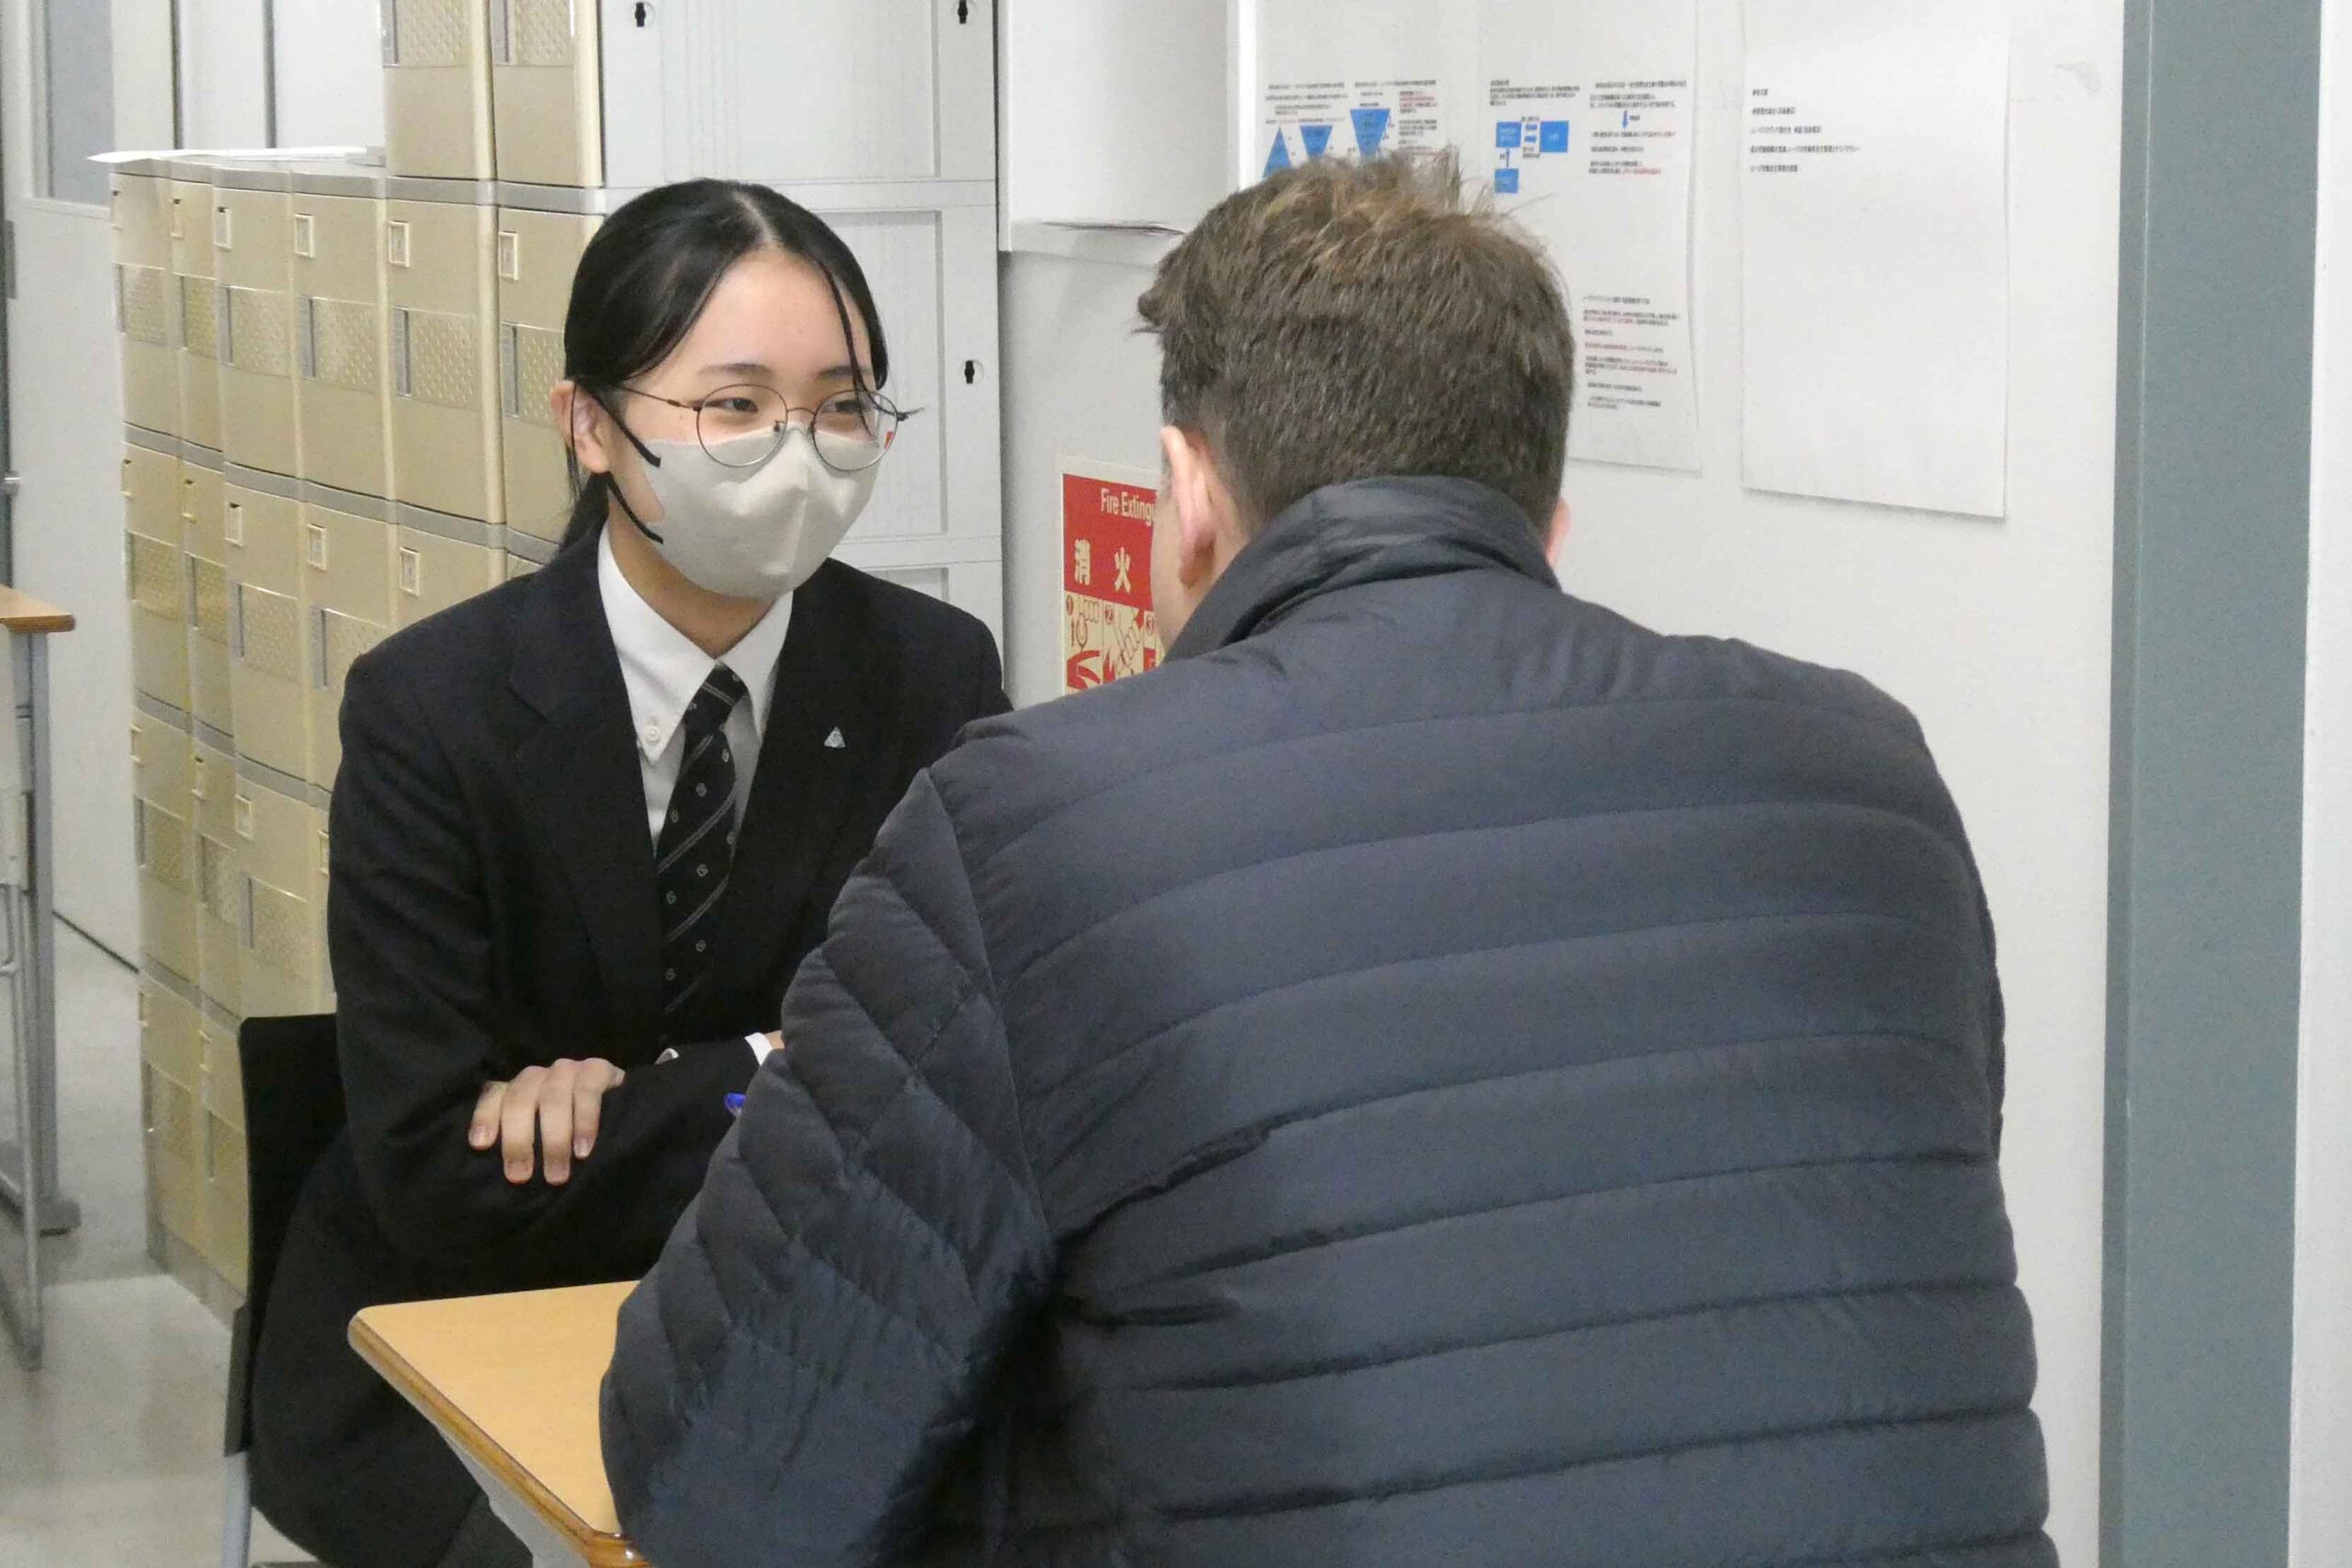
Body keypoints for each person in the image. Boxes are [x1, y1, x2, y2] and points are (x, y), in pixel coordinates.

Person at [603, 153, 2054, 1566]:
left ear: (1186, 498)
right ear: (1546, 524)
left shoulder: (1041, 827)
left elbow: (722, 1484)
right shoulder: (1871, 784)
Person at [249, 179, 1008, 1568]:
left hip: (788, 1310)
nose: (798, 452)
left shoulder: (932, 674)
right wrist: (781, 1069)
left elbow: (945, 1096)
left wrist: (651, 1093)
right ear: (590, 424)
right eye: (735, 406)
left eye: (841, 406)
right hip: (445, 1316)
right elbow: (432, 1173)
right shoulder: (434, 707)